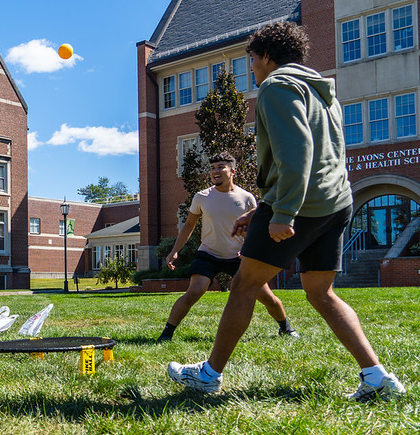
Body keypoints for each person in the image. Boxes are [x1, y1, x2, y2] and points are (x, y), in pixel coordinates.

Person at [167, 22, 405, 402]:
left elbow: (297, 154)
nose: (253, 70)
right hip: (336, 201)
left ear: (264, 56)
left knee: (244, 285)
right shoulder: (325, 92)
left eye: (252, 62)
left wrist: (283, 213)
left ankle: (209, 376)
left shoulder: (277, 86)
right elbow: (327, 156)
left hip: (301, 205)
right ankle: (377, 376)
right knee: (320, 291)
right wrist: (263, 207)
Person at [157, 152, 298, 342]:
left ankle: (286, 328)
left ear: (232, 171)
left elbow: (255, 230)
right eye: (212, 168)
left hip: (239, 257)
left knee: (265, 296)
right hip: (208, 253)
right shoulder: (202, 197)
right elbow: (189, 226)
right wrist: (174, 251)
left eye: (220, 167)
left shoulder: (246, 198)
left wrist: (249, 250)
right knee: (194, 291)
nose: (215, 171)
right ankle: (166, 334)